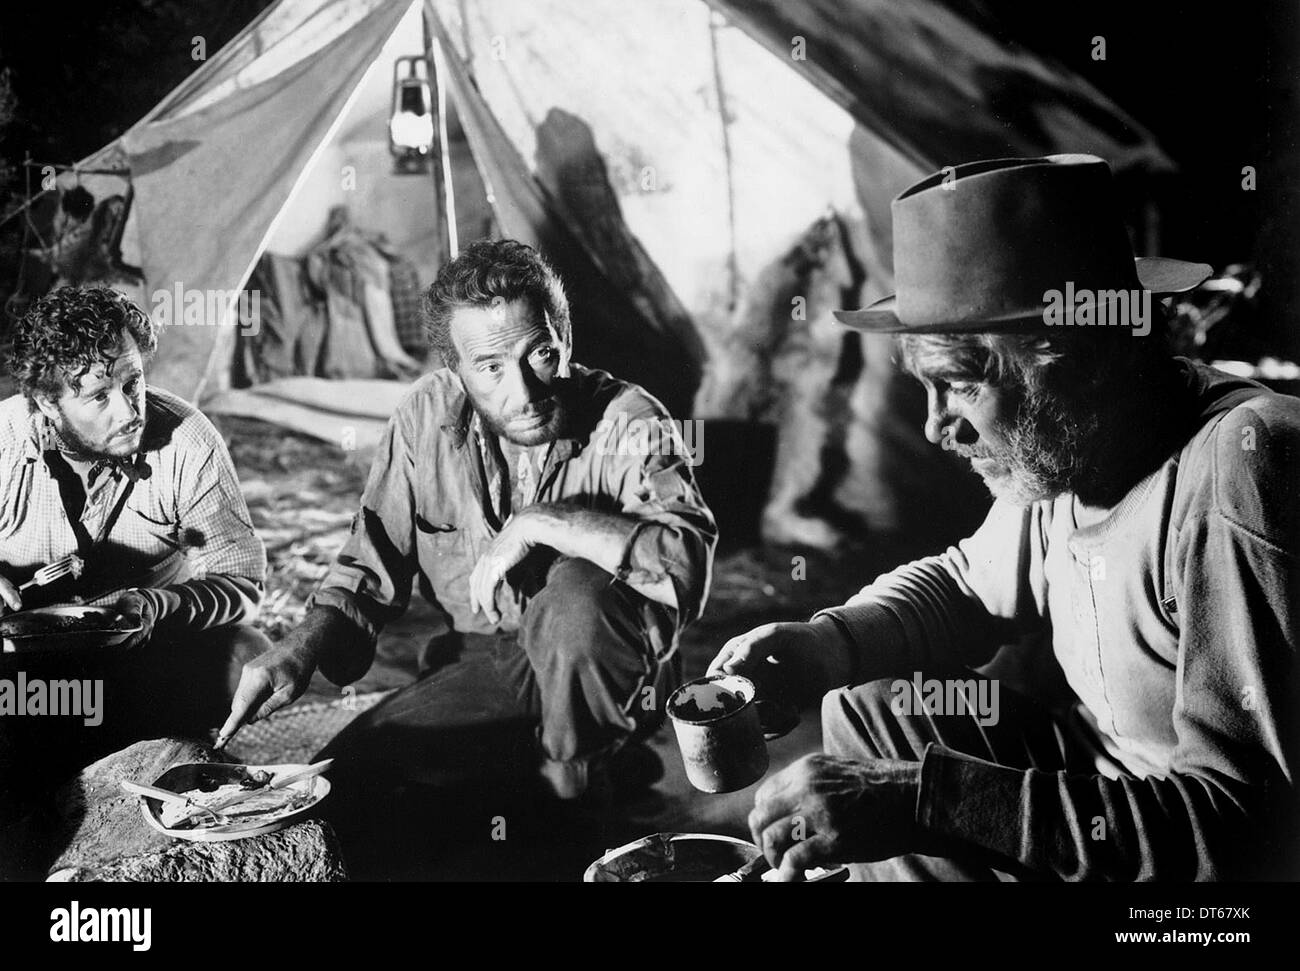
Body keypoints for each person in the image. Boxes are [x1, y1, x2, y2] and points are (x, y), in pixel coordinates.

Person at [710, 155, 1300, 881]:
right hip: (1105, 795)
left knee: (896, 789)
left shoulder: (1242, 468)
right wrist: (821, 644)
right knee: (874, 702)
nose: (933, 427)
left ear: (1067, 359)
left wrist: (923, 801)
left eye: (955, 385)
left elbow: (1247, 837)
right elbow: (964, 586)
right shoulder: (1074, 452)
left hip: (1193, 881)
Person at [220, 239, 716, 802]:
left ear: (566, 337)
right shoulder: (424, 416)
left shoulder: (627, 418)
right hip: (493, 657)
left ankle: (585, 771)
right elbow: (369, 565)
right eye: (490, 367)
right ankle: (543, 763)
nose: (524, 392)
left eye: (541, 354)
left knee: (578, 594)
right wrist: (300, 647)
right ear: (454, 368)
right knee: (355, 780)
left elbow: (685, 563)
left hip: (607, 666)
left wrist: (543, 522)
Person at [0, 285, 269, 876]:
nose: (128, 410)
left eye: (133, 382)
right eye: (98, 396)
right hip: (20, 668)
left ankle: (128, 749)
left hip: (141, 651)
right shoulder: (2, 442)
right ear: (47, 404)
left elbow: (241, 579)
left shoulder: (187, 439)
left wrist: (160, 604)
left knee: (249, 657)